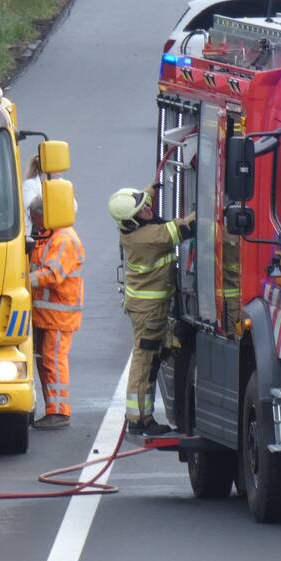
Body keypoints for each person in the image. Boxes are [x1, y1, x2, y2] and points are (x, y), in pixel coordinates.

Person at [108, 185, 195, 436]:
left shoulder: (131, 226)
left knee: (150, 359)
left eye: (146, 204)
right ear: (133, 220)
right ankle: (138, 418)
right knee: (145, 362)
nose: (148, 208)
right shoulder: (148, 238)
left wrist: (149, 191)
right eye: (142, 208)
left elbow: (143, 202)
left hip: (147, 308)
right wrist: (211, 209)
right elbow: (183, 229)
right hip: (149, 312)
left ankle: (142, 416)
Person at [28, 196, 85, 430]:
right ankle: (52, 408)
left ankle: (59, 411)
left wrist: (24, 279)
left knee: (53, 360)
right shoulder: (49, 236)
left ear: (46, 214)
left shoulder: (63, 239)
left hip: (59, 316)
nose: (32, 220)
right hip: (46, 315)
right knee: (44, 361)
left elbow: (52, 275)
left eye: (34, 215)